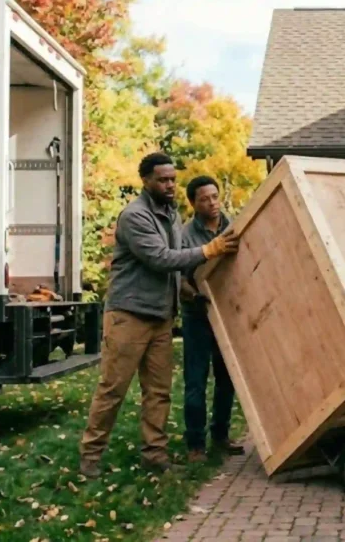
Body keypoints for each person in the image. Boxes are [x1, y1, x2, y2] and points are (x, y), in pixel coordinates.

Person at [78, 153, 238, 478]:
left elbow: (175, 268)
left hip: (161, 317)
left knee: (159, 391)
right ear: (146, 181)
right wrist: (210, 249)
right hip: (129, 315)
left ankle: (155, 454)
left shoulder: (169, 214)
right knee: (113, 389)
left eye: (172, 179)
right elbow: (161, 259)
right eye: (163, 179)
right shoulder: (135, 217)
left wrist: (185, 288)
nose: (169, 184)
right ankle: (90, 458)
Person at [179, 175, 244, 462]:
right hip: (196, 316)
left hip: (226, 314)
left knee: (226, 378)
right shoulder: (184, 236)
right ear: (193, 203)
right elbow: (176, 278)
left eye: (215, 196)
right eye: (204, 198)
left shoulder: (234, 228)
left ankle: (220, 435)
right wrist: (194, 296)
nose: (212, 203)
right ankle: (195, 444)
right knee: (196, 380)